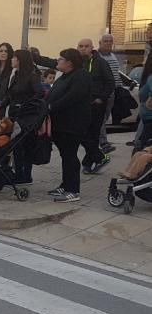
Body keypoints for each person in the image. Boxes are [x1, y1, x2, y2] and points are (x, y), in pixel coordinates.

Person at [47, 48, 92, 203]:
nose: (58, 61)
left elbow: (72, 97)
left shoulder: (81, 76)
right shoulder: (64, 77)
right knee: (64, 155)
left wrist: (52, 107)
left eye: (60, 59)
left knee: (70, 156)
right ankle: (65, 184)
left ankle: (73, 190)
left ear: (70, 62)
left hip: (73, 123)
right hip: (60, 123)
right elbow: (53, 94)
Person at [4, 49, 43, 185]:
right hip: (15, 116)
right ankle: (18, 173)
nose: (11, 60)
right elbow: (11, 96)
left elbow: (39, 94)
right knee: (16, 147)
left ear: (20, 59)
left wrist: (24, 105)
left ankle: (26, 175)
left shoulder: (32, 76)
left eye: (14, 57)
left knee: (25, 146)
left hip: (26, 118)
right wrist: (0, 104)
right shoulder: (16, 75)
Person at [77, 38, 115, 174]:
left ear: (92, 47)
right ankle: (97, 158)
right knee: (83, 134)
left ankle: (90, 162)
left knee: (91, 134)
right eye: (80, 46)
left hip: (96, 105)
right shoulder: (77, 63)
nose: (83, 49)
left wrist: (101, 98)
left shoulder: (100, 63)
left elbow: (110, 82)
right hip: (81, 105)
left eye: (86, 46)